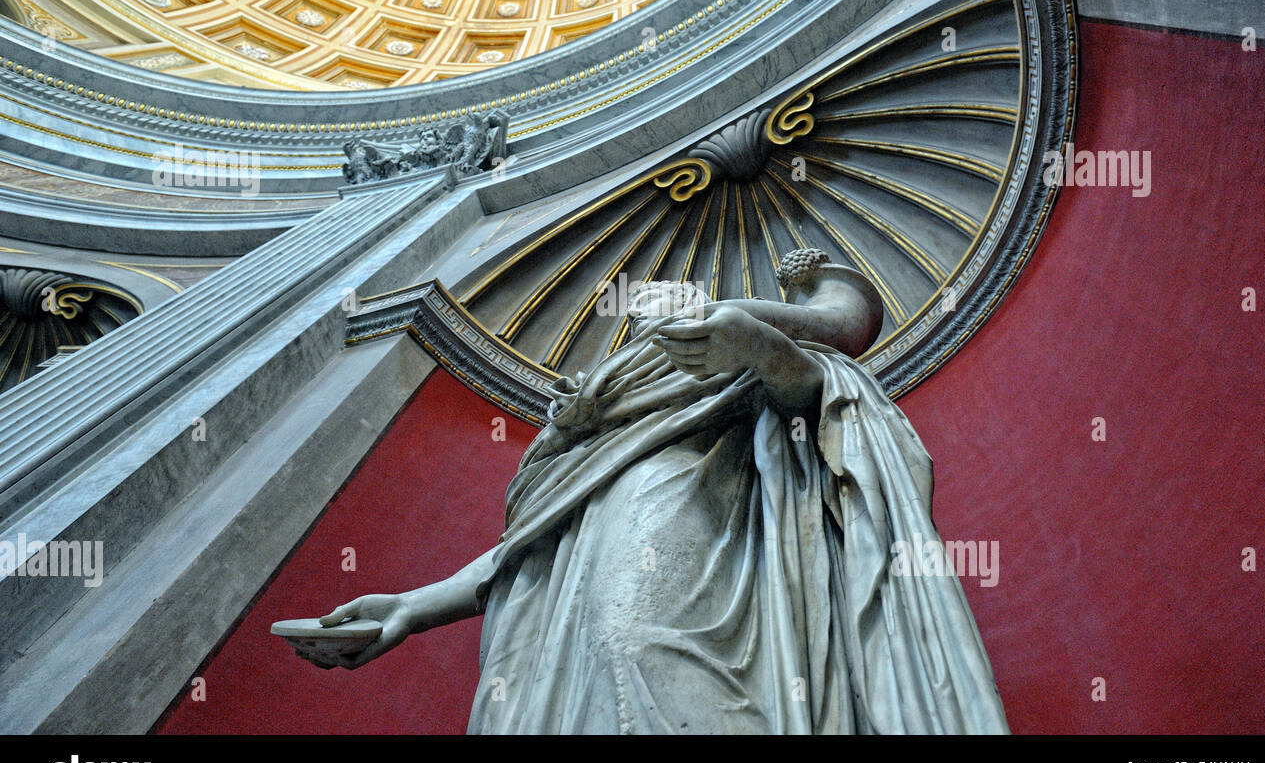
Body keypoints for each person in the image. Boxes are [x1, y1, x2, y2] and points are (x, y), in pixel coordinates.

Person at [300, 248, 1010, 734]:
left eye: (679, 298)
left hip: (697, 552)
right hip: (586, 577)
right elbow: (526, 547)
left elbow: (820, 404)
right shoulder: (608, 404)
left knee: (642, 649)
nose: (659, 306)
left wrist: (758, 347)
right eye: (645, 306)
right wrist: (411, 606)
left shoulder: (728, 357)